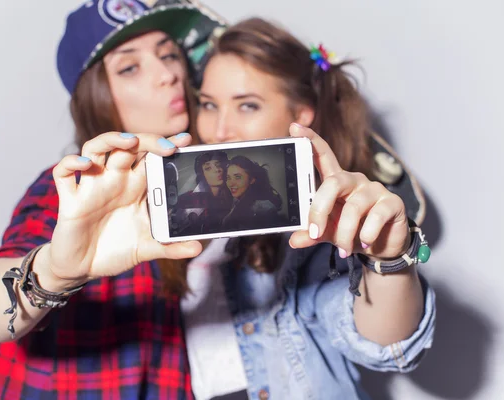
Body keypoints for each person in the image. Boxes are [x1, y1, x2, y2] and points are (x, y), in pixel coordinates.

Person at [0, 1, 227, 398]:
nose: (167, 75)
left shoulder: (205, 184)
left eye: (169, 54)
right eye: (129, 67)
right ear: (97, 95)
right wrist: (54, 272)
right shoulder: (75, 190)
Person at [180, 17, 436, 399]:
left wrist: (387, 260)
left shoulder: (312, 230)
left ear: (301, 115)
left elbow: (388, 344)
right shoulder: (188, 212)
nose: (219, 130)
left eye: (247, 106)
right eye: (208, 105)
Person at [170, 150, 233, 235]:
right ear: (202, 175)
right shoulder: (187, 200)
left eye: (219, 165)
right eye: (208, 168)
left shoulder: (236, 195)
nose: (217, 170)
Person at [221, 155, 285, 231]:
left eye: (237, 177)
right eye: (228, 178)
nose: (231, 183)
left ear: (251, 180)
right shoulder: (236, 201)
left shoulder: (263, 209)